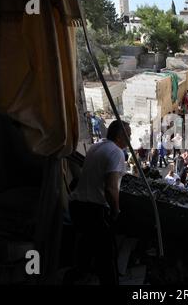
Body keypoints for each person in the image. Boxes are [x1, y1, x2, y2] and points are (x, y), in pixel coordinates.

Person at [68, 120, 131, 285]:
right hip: (93, 209)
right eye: (128, 135)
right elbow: (111, 189)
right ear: (119, 136)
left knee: (86, 247)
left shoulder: (96, 146)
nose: (130, 139)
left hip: (77, 206)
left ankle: (77, 276)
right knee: (107, 256)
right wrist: (116, 210)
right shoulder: (117, 152)